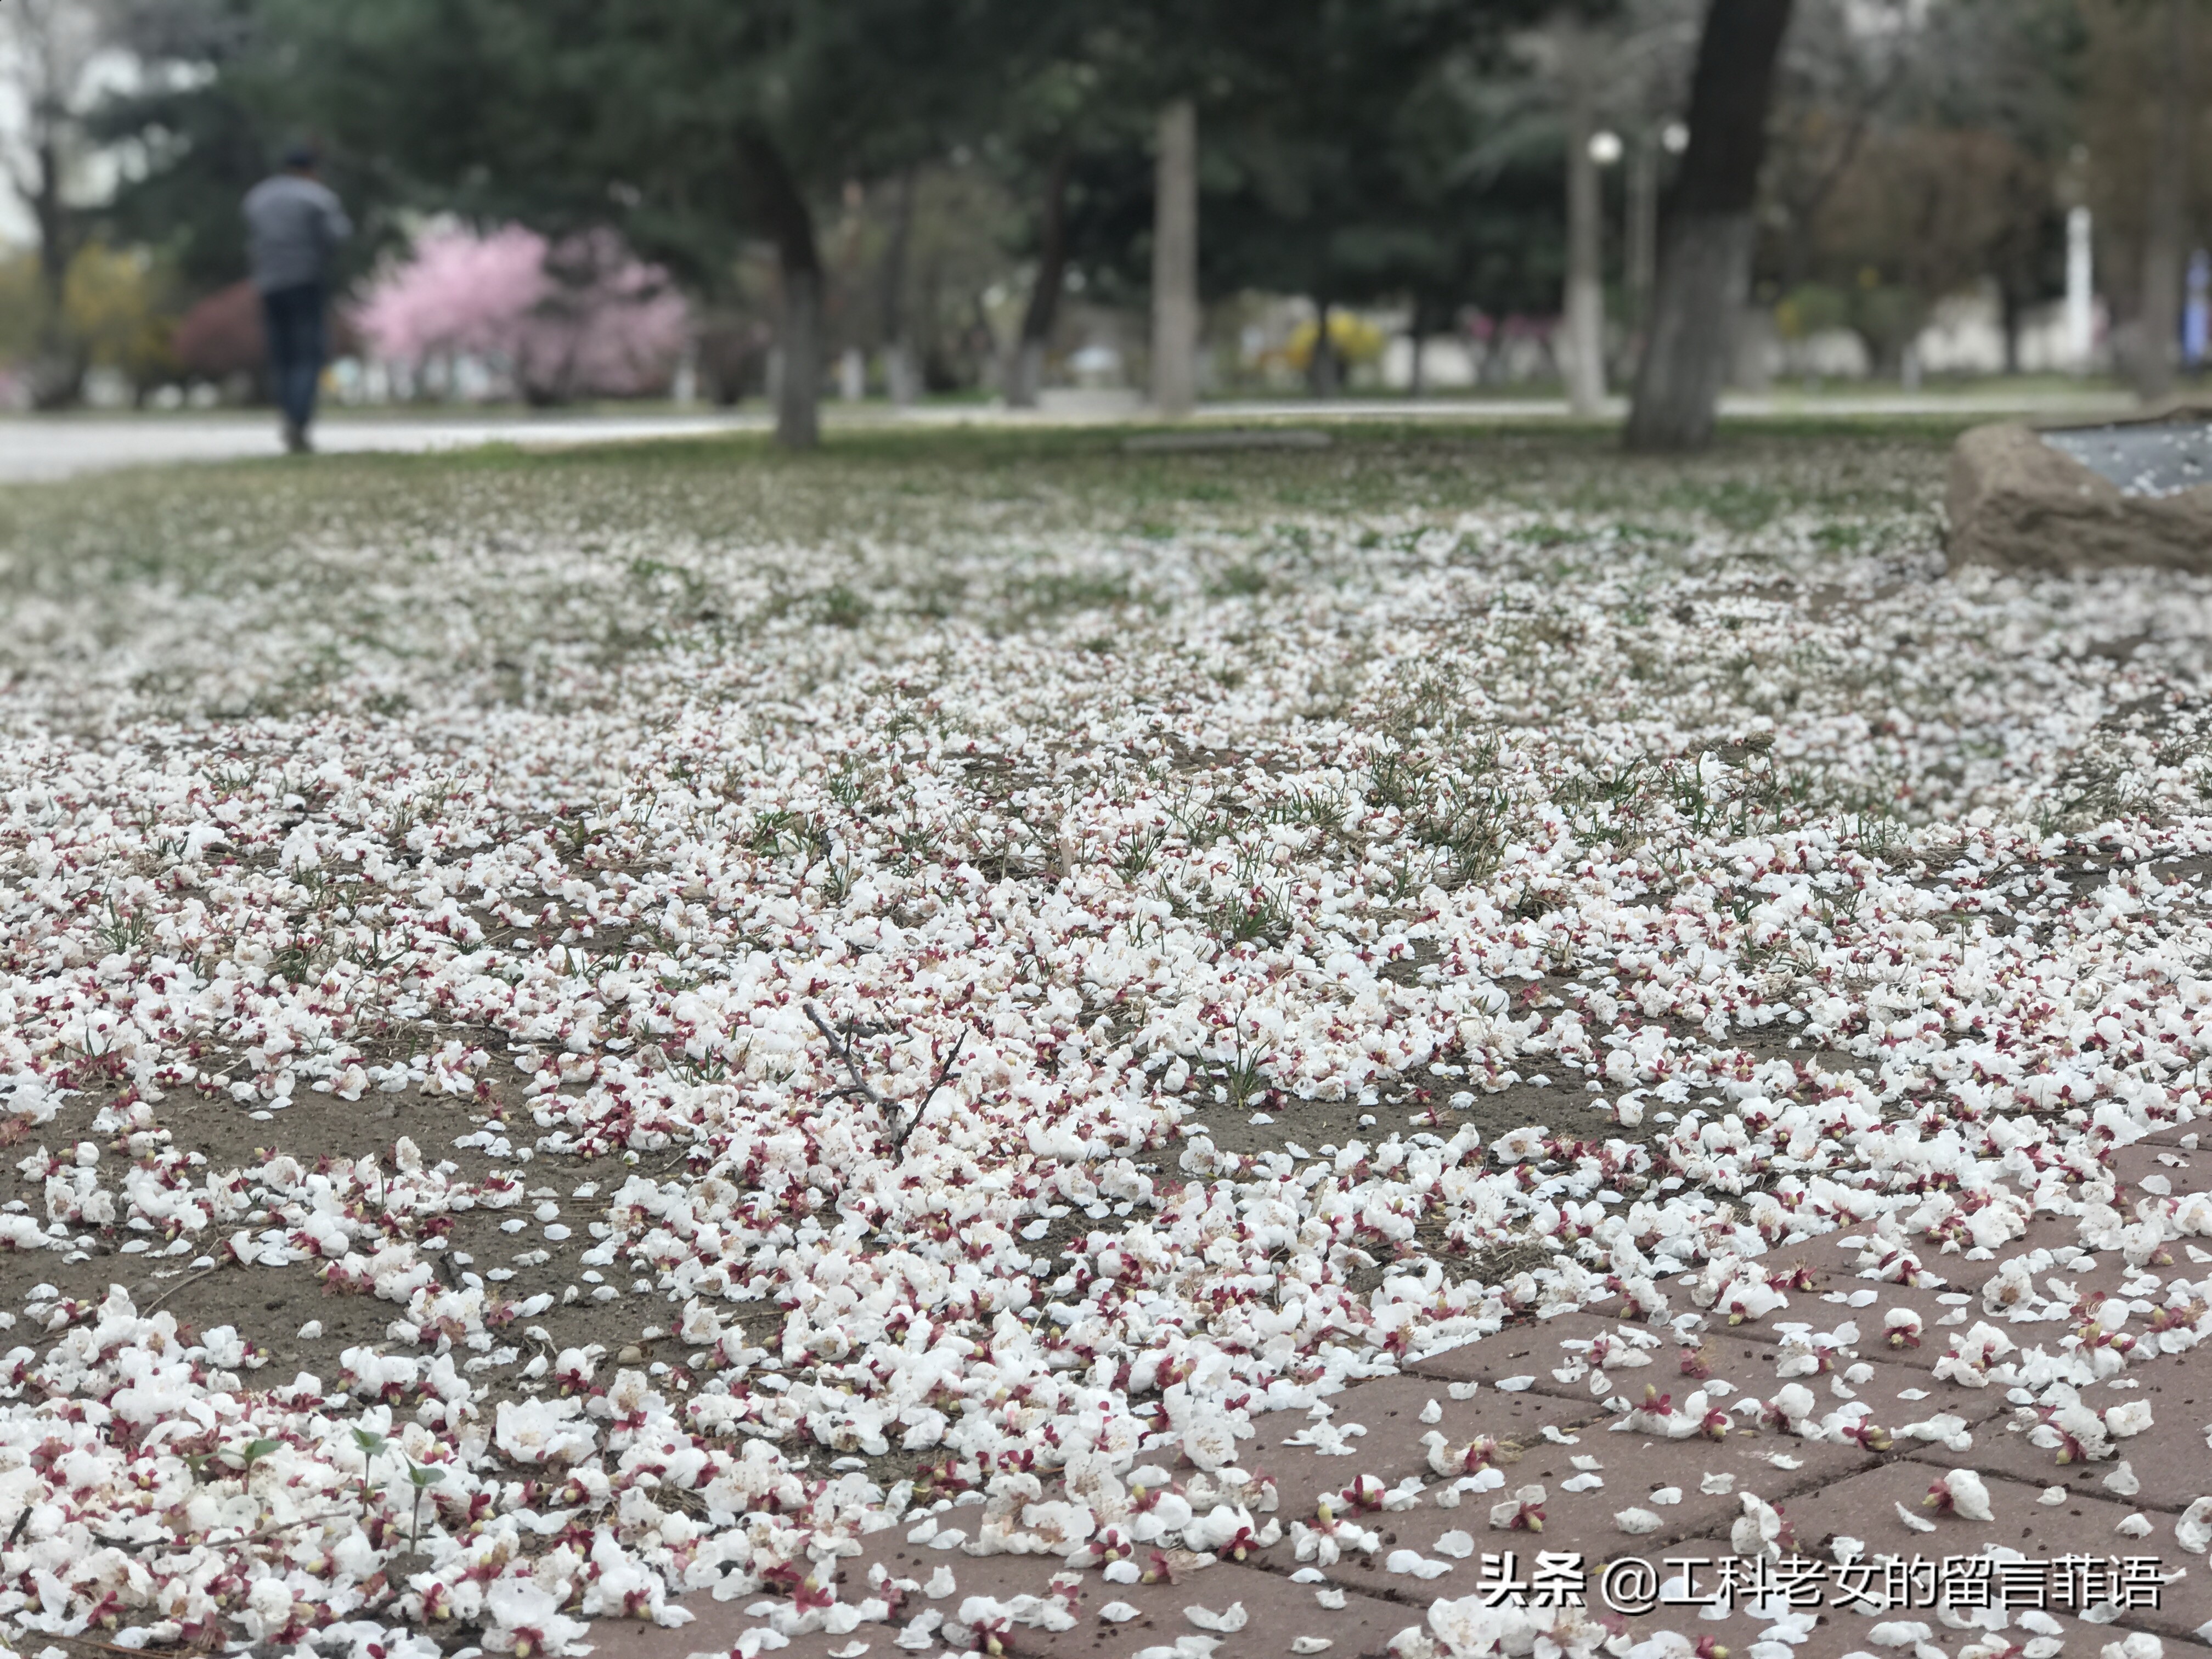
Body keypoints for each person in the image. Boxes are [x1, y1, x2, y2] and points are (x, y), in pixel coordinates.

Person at [243, 145, 351, 453]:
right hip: (305, 281)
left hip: (269, 284)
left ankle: (289, 415)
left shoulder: (258, 197)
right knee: (307, 355)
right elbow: (339, 235)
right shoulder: (316, 197)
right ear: (311, 170)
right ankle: (299, 420)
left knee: (283, 356)